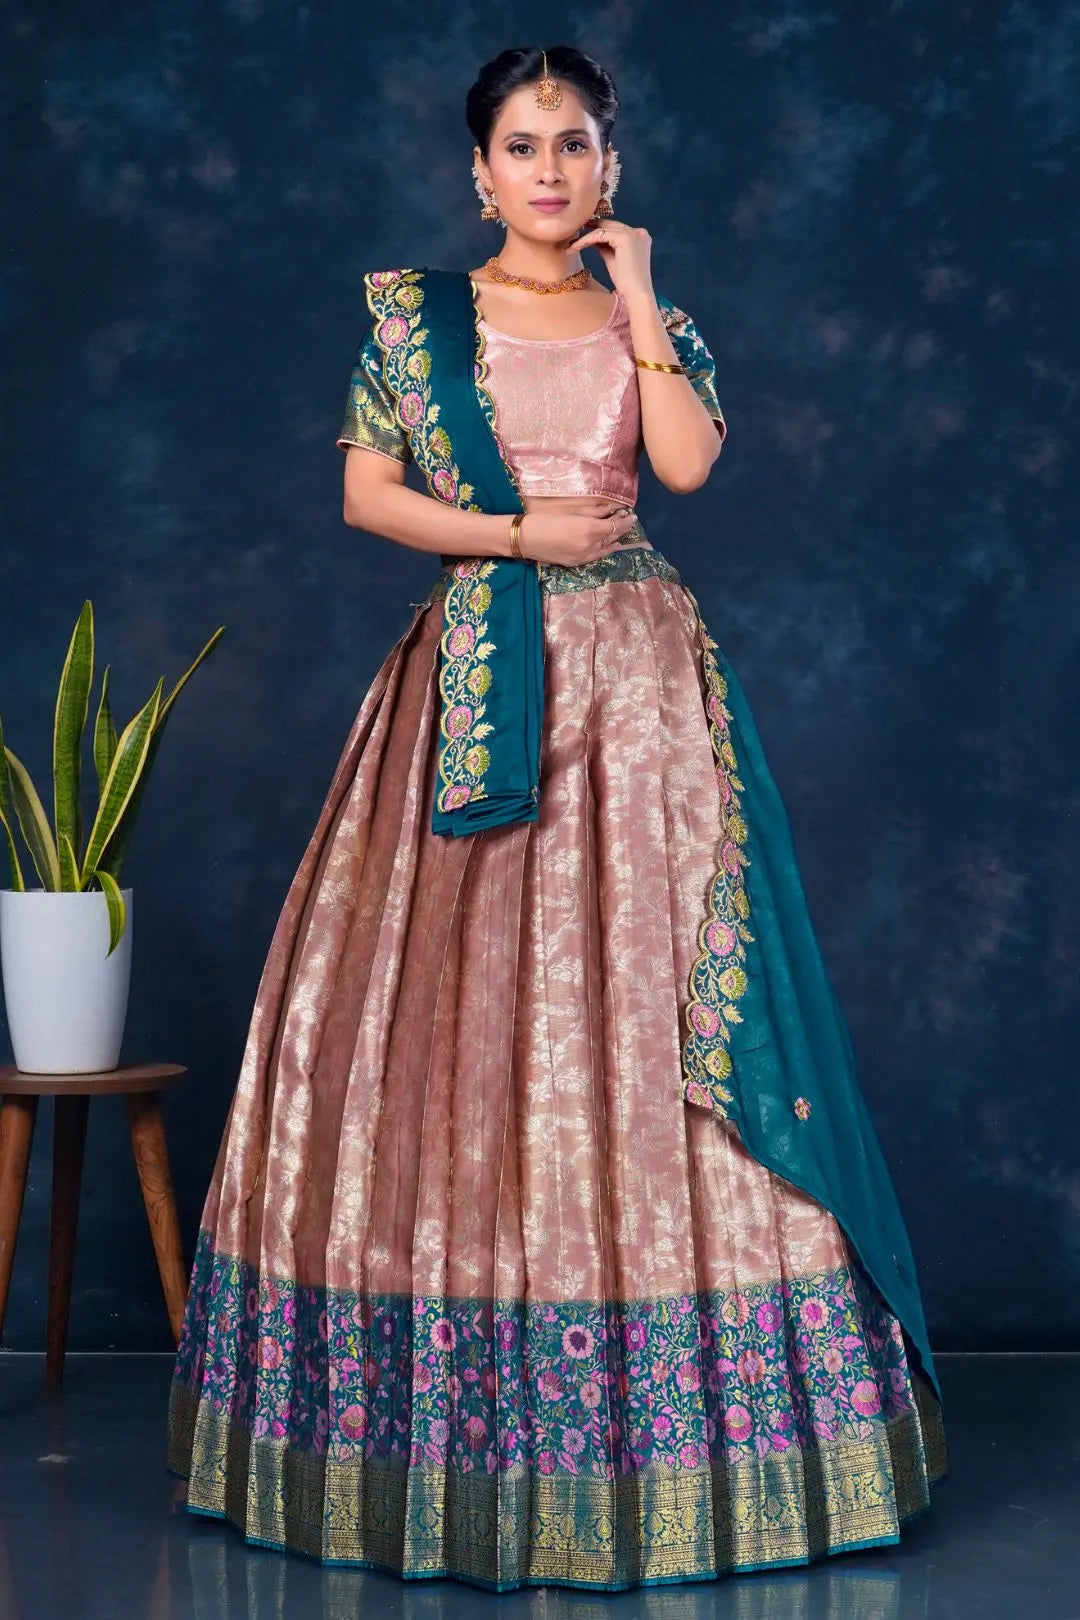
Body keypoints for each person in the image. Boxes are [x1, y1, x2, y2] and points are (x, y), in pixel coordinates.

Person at [167, 43, 946, 1593]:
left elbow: (685, 466)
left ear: (610, 165)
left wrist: (642, 293)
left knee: (651, 1007)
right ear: (478, 169)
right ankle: (448, 1436)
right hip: (476, 683)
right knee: (462, 1017)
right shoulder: (415, 318)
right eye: (521, 145)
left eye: (575, 144)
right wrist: (517, 531)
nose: (547, 169)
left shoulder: (642, 313)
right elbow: (366, 498)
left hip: (644, 700)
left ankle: (710, 1439)